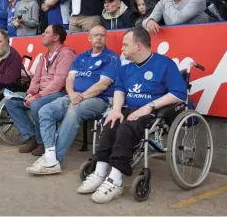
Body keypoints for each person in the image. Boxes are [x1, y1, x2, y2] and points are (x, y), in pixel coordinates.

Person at [76, 27, 187, 204]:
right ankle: (100, 170)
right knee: (111, 122)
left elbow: (179, 94)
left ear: (138, 45)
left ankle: (116, 179)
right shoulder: (126, 68)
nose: (122, 48)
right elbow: (119, 90)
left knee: (126, 128)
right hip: (130, 108)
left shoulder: (165, 64)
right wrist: (116, 110)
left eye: (125, 44)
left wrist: (149, 107)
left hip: (154, 111)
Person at [26, 26, 121, 175]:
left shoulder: (112, 58)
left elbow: (102, 85)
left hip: (98, 100)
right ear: (89, 38)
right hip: (73, 96)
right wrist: (72, 94)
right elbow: (69, 79)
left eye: (102, 35)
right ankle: (50, 156)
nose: (98, 38)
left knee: (73, 112)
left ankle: (53, 160)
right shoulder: (82, 56)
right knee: (45, 111)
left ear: (106, 38)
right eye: (95, 35)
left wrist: (80, 97)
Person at [5, 24, 76, 155]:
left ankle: (44, 142)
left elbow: (59, 83)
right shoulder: (44, 56)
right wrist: (30, 93)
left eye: (46, 32)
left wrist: (37, 97)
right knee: (11, 102)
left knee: (36, 104)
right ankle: (31, 136)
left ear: (56, 37)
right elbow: (36, 78)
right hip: (41, 93)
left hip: (58, 93)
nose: (42, 34)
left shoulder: (67, 54)